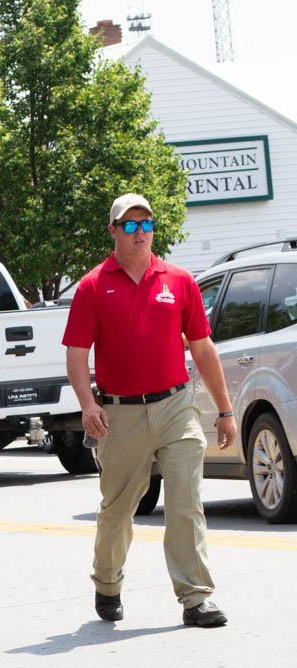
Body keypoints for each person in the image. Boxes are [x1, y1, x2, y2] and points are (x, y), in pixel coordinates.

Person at [63, 193, 235, 629]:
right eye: (129, 225)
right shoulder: (92, 286)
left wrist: (225, 410)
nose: (139, 233)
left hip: (176, 406)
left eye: (146, 224)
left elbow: (203, 348)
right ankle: (107, 583)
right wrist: (88, 405)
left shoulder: (179, 280)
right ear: (113, 231)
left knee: (186, 502)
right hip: (120, 414)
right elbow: (77, 354)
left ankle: (196, 597)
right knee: (118, 509)